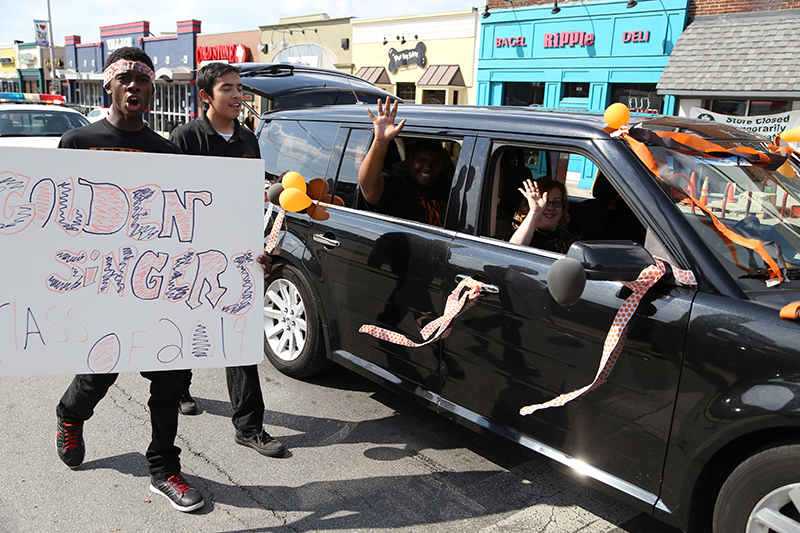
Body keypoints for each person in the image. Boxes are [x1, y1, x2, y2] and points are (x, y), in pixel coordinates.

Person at [56, 47, 204, 513]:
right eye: (126, 80)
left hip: (156, 289)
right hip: (102, 287)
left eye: (143, 81)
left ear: (151, 89)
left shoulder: (167, 150)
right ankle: (70, 415)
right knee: (100, 371)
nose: (135, 87)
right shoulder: (78, 142)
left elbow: (186, 225)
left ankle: (164, 468)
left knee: (169, 379)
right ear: (110, 85)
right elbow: (56, 219)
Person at [169, 62, 286, 459]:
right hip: (193, 256)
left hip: (237, 255)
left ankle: (249, 427)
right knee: (189, 327)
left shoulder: (248, 139)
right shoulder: (185, 138)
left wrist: (260, 245)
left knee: (238, 340)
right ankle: (180, 386)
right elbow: (177, 201)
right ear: (206, 96)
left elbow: (251, 196)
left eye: (240, 89)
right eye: (228, 89)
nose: (238, 96)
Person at [358, 99, 448, 227]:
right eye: (421, 161)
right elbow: (368, 185)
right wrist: (380, 142)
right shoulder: (398, 183)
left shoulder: (446, 188)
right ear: (410, 160)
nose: (428, 167)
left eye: (435, 163)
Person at [510, 178, 579, 254]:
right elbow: (512, 253)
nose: (550, 208)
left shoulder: (570, 232)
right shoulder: (526, 236)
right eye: (544, 201)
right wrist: (535, 211)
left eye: (557, 202)